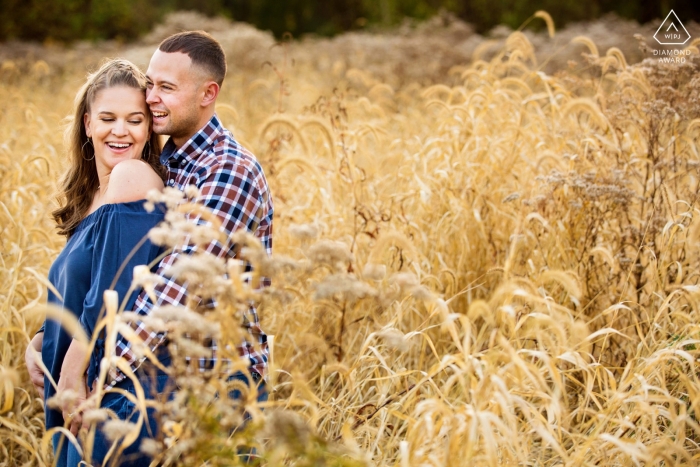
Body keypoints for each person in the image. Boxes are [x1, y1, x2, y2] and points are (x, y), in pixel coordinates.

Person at [89, 31, 273, 465]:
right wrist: (51, 339)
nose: (151, 98)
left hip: (216, 388)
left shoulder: (228, 169)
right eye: (150, 84)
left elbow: (179, 285)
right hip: (153, 380)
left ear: (209, 93)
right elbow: (109, 264)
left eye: (166, 88)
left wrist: (103, 374)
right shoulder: (162, 162)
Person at [23, 59, 166, 466]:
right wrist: (39, 343)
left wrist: (70, 375)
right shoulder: (91, 200)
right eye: (108, 118)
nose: (120, 130)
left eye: (135, 120)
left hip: (103, 396)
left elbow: (112, 292)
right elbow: (79, 289)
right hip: (74, 393)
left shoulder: (133, 179)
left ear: (149, 128)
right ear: (87, 124)